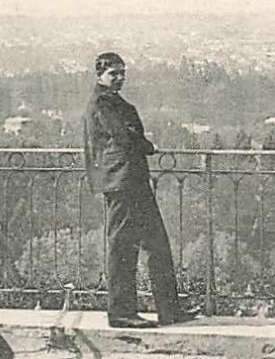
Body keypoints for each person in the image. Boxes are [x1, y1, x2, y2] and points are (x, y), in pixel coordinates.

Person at [81, 52, 197, 328]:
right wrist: (145, 144)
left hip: (132, 180)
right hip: (120, 182)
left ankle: (169, 310)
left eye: (122, 73)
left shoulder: (111, 102)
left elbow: (128, 133)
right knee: (122, 247)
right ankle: (121, 313)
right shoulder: (102, 103)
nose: (119, 78)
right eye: (113, 74)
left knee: (157, 245)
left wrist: (138, 138)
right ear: (100, 75)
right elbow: (124, 135)